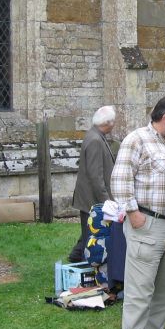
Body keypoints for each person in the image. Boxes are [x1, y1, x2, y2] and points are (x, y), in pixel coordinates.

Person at [112, 95, 165, 329]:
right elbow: (120, 179)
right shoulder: (136, 140)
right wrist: (133, 213)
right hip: (148, 223)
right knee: (140, 286)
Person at [69, 106, 117, 263]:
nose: (114, 125)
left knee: (89, 231)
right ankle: (83, 262)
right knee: (91, 235)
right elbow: (95, 175)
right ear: (108, 122)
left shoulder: (95, 135)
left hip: (91, 198)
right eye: (113, 122)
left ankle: (76, 256)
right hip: (92, 199)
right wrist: (106, 201)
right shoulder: (95, 140)